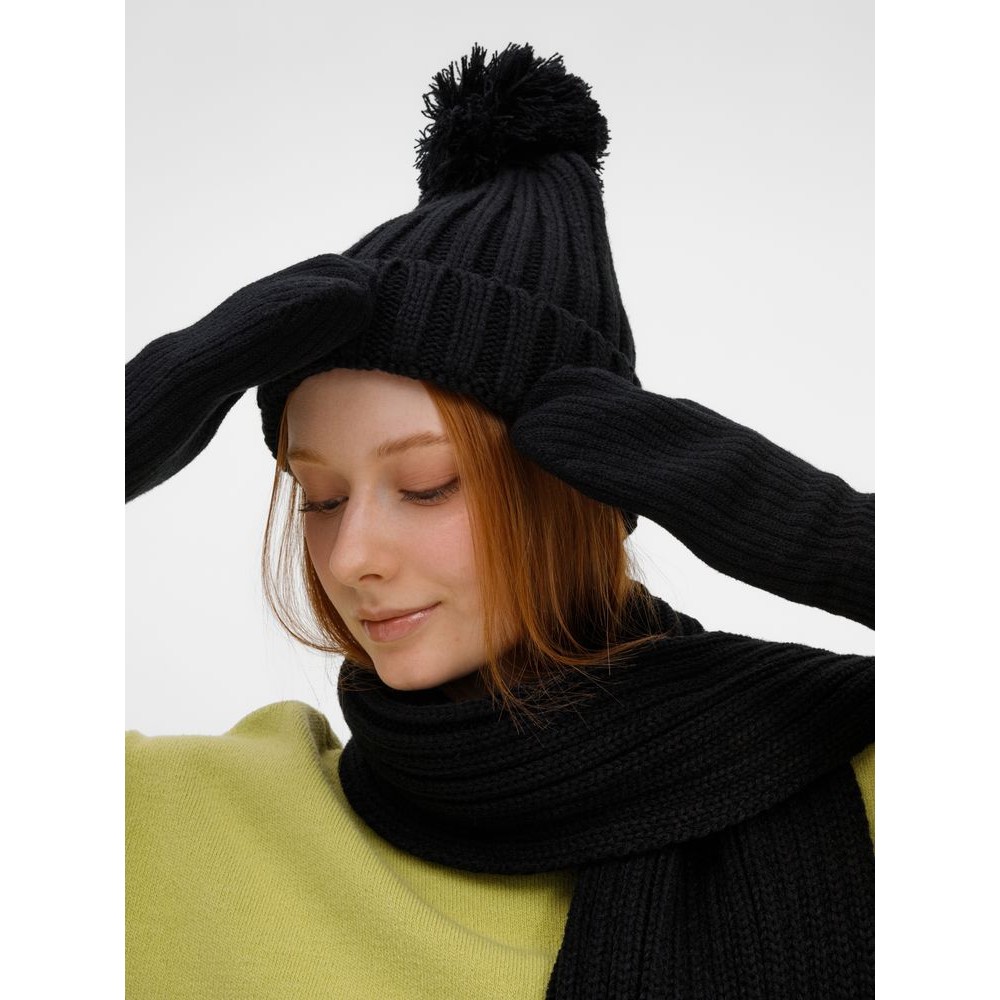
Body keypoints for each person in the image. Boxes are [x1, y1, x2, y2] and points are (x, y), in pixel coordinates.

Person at [125, 43, 874, 999]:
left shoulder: (857, 780)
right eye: (320, 499)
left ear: (580, 485)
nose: (350, 558)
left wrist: (834, 537)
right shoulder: (174, 826)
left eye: (428, 484)